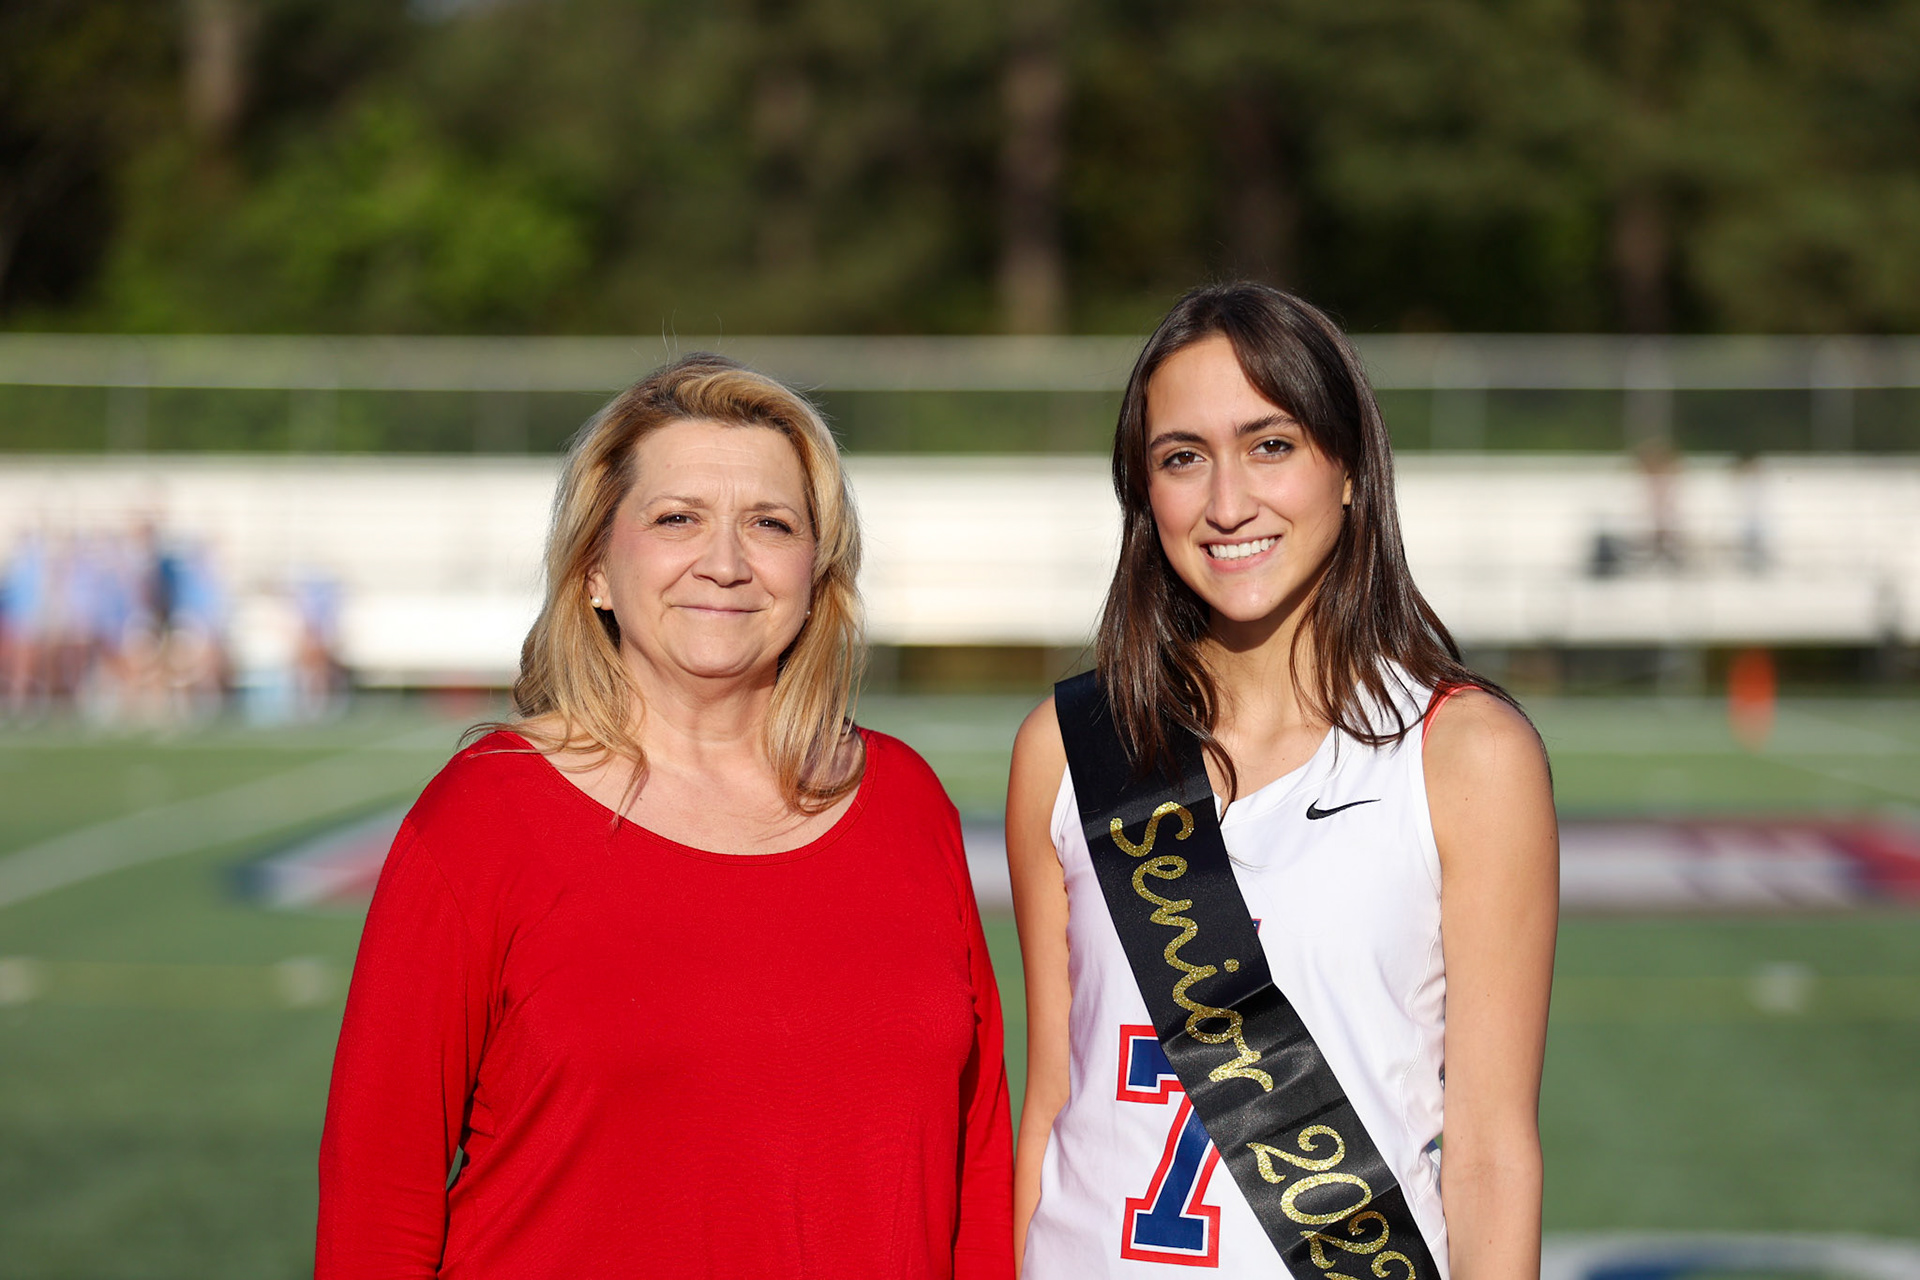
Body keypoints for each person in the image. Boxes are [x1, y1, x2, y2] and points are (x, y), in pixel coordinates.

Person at [318, 354, 1013, 1278]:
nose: (724, 562)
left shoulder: (906, 803)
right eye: (676, 519)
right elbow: (379, 1203)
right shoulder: (487, 815)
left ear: (817, 574)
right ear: (597, 569)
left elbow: (980, 1165)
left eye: (770, 523)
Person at [1006, 284, 1557, 1279]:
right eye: (1183, 458)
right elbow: (1051, 1102)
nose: (1227, 503)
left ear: (1347, 467)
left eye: (1271, 444)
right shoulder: (1068, 745)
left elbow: (1490, 1153)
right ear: (1145, 494)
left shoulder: (1464, 752)